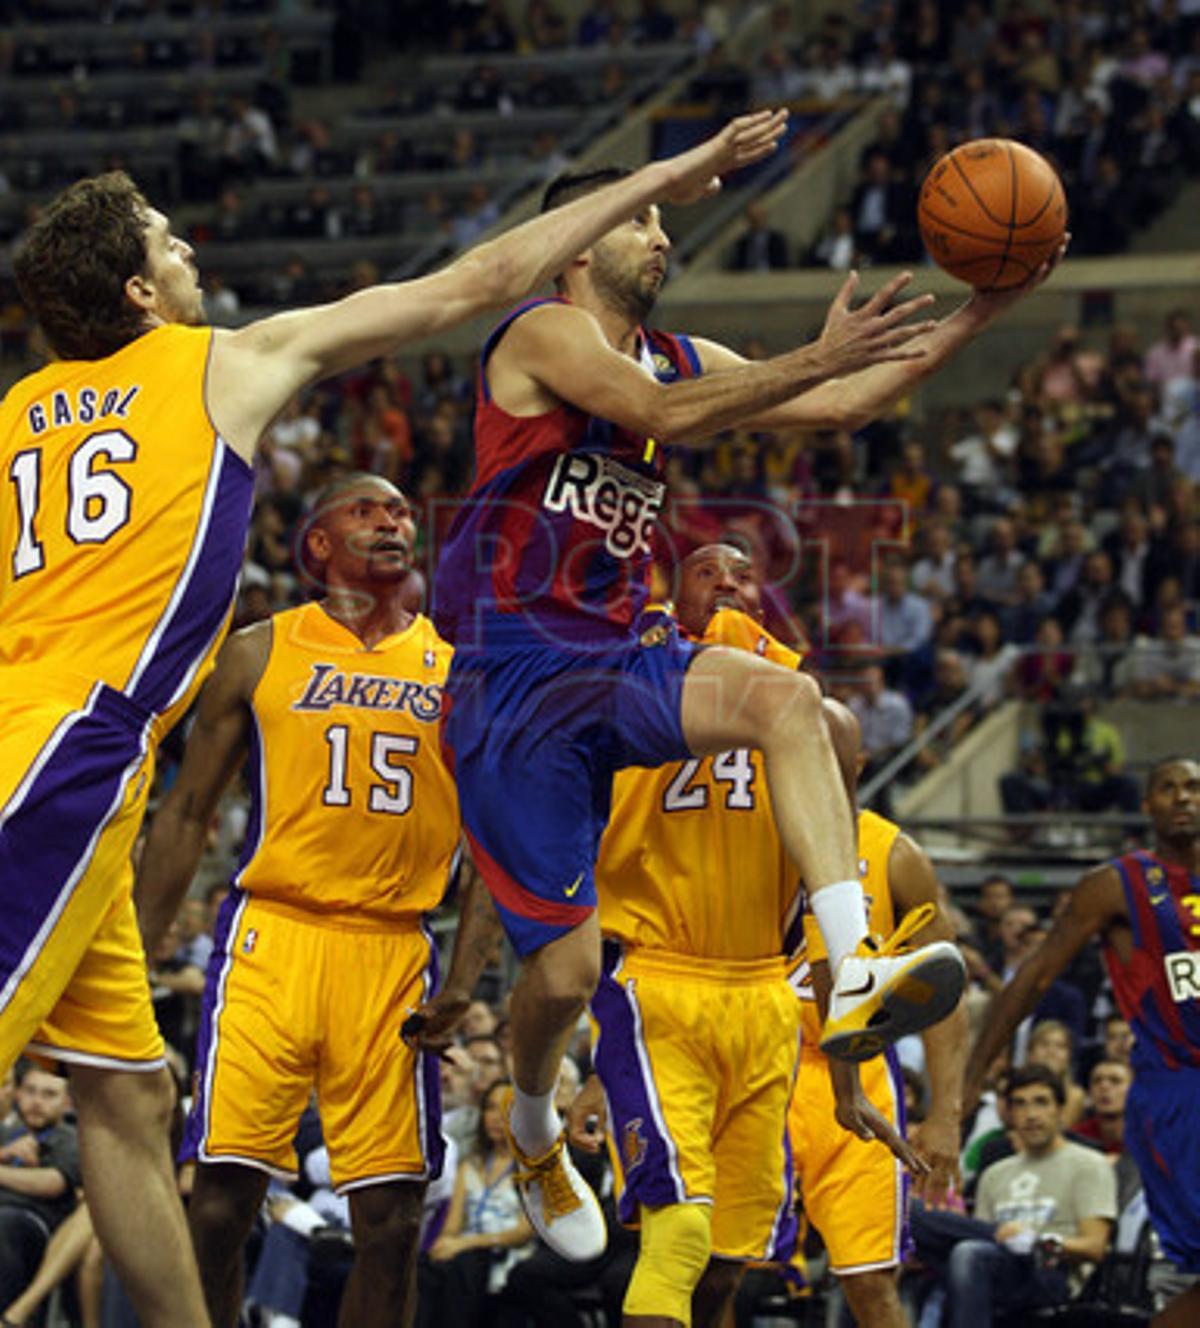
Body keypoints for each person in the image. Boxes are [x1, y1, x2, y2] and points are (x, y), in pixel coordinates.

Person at [0, 111, 789, 1323]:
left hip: (72, 750)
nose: (190, 249)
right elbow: (474, 281)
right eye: (167, 240)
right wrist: (672, 171)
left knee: (128, 1097)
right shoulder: (216, 363)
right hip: (73, 744)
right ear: (141, 292)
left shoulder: (19, 412)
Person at [422, 162, 1059, 1262]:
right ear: (580, 240)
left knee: (789, 701)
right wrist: (816, 354)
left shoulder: (676, 353)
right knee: (565, 976)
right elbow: (659, 415)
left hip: (622, 654)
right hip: (516, 674)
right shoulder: (539, 334)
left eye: (663, 220)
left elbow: (848, 400)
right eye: (640, 218)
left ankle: (853, 970)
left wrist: (987, 304)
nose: (662, 237)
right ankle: (529, 1125)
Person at [133, 475, 500, 1328]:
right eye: (365, 512)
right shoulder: (260, 650)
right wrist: (137, 953)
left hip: (394, 948)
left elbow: (495, 845)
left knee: (392, 1223)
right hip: (273, 935)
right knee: (220, 1201)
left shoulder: (461, 668)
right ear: (320, 544)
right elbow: (186, 812)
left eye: (401, 512)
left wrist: (466, 977)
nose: (392, 522)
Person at [562, 543, 942, 1328]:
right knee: (678, 1235)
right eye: (708, 573)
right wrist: (593, 1059)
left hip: (765, 994)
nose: (729, 586)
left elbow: (820, 910)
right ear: (675, 594)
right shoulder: (623, 680)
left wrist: (846, 1079)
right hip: (657, 978)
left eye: (743, 577)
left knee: (727, 1264)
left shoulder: (810, 715)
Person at [964, 757, 1200, 1327]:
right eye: (1167, 788)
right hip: (1180, 1092)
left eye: (1194, 787)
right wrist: (970, 1078)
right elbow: (1035, 977)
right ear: (1145, 806)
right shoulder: (1114, 885)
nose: (1183, 797)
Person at [788, 717, 970, 1328]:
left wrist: (944, 1115)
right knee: (727, 1268)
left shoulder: (894, 854)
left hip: (859, 1072)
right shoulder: (751, 837)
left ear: (859, 763)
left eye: (829, 746)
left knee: (870, 1280)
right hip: (762, 1061)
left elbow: (946, 992)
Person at [914, 1064, 1117, 1328]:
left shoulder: (1088, 1164)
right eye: (1020, 1104)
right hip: (995, 1266)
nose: (1031, 1115)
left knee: (967, 1253)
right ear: (1009, 1114)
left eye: (1041, 1102)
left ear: (1060, 1109)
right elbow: (982, 1243)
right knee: (907, 1215)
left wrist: (1037, 1241)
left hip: (1050, 1272)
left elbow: (1094, 1248)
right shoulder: (995, 1173)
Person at [0, 1066, 81, 1314]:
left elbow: (53, 1183)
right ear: (18, 1094)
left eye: (49, 1094)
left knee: (4, 1225)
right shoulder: (6, 1133)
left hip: (35, 1222)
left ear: (67, 1103)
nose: (37, 1102)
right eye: (31, 1091)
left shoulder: (71, 1138)